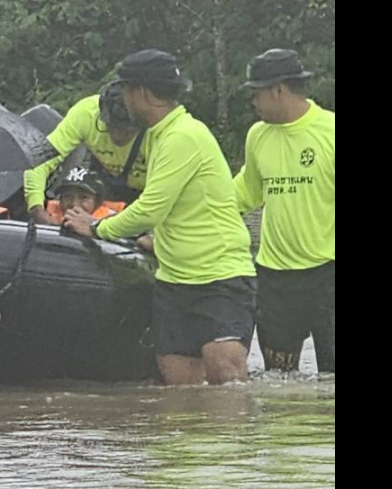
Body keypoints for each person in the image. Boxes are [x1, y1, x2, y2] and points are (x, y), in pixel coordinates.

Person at [63, 50, 255, 386]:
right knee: (179, 389)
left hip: (220, 276)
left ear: (140, 92)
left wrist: (96, 228)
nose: (122, 100)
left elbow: (151, 207)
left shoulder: (182, 136)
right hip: (174, 279)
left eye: (124, 91)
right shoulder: (157, 136)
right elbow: (171, 206)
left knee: (226, 378)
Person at [233, 49, 335, 373]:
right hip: (274, 279)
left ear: (278, 89)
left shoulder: (329, 132)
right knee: (279, 381)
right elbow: (243, 193)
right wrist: (189, 217)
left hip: (327, 274)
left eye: (256, 93)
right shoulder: (257, 136)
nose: (253, 102)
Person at [24, 79, 148, 224]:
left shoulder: (163, 130)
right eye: (111, 127)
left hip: (151, 191)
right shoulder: (86, 113)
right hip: (105, 183)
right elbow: (39, 161)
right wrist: (37, 210)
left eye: (127, 131)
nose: (118, 137)